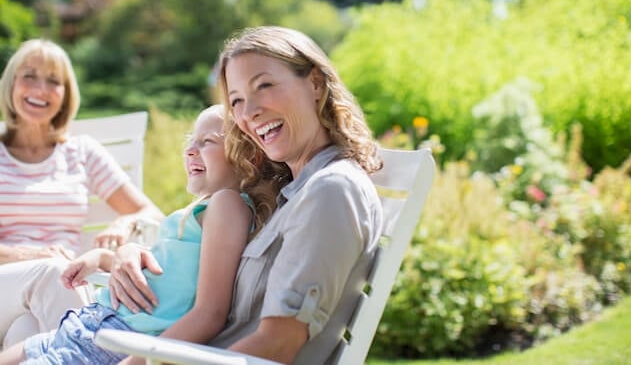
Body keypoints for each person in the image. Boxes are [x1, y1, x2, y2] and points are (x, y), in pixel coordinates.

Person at [107, 26, 384, 365]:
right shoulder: (289, 194)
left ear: (315, 83)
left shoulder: (330, 191)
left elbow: (278, 345)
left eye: (264, 85)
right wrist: (133, 252)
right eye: (236, 100)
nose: (248, 112)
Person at [0, 104, 277, 365]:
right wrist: (103, 258)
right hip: (89, 324)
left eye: (208, 142)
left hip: (115, 338)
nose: (191, 150)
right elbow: (162, 273)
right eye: (191, 140)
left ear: (248, 156)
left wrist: (140, 360)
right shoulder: (209, 209)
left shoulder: (228, 205)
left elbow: (209, 314)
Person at [0, 38, 164, 348]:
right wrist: (31, 255)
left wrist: (122, 223)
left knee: (26, 334)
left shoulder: (81, 151)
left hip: (58, 291)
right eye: (30, 76)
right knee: (52, 272)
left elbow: (151, 213)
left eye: (53, 81)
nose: (40, 89)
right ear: (11, 83)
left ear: (65, 95)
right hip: (9, 283)